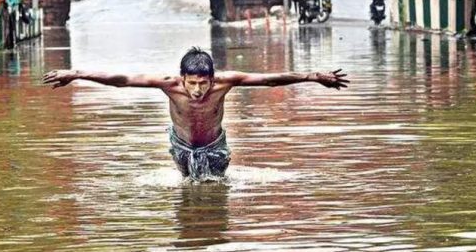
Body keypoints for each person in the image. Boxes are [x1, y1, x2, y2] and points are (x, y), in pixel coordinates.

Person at [43, 48, 348, 181]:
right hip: (182, 145)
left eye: (204, 83)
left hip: (215, 146)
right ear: (182, 79)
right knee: (189, 190)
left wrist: (312, 76)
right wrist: (77, 73)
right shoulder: (168, 85)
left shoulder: (226, 81)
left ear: (212, 79)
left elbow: (268, 79)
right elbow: (123, 80)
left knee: (214, 190)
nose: (199, 90)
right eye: (193, 83)